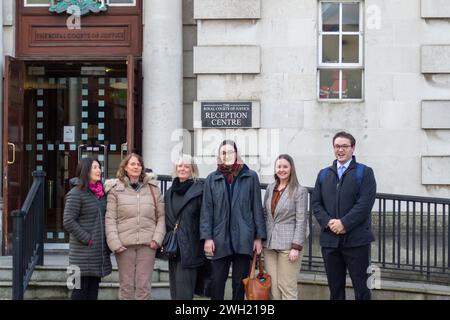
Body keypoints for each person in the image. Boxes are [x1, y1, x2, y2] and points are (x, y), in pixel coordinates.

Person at [312, 131, 376, 300]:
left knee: (362, 289)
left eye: (344, 146)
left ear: (353, 148)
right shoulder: (323, 174)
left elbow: (364, 205)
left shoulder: (365, 172)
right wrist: (329, 222)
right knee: (335, 289)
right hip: (330, 242)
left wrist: (344, 223)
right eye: (337, 146)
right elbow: (316, 204)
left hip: (357, 242)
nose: (340, 150)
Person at [200, 140, 267, 300]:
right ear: (219, 155)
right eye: (223, 152)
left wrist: (258, 237)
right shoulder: (212, 178)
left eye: (230, 152)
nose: (227, 155)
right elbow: (206, 210)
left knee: (239, 284)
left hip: (244, 239)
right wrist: (207, 238)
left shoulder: (250, 176)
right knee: (217, 283)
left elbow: (257, 208)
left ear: (236, 154)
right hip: (219, 239)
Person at [105, 153, 165, 300]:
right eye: (132, 164)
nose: (136, 167)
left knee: (144, 287)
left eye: (138, 164)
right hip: (124, 246)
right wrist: (115, 243)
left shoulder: (153, 189)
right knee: (126, 287)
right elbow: (110, 219)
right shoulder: (115, 190)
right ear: (125, 167)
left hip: (147, 245)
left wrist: (157, 239)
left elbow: (161, 217)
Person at [63, 157, 112, 300]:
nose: (99, 170)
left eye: (99, 167)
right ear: (85, 171)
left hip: (97, 255)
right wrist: (88, 239)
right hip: (81, 255)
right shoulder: (76, 193)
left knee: (92, 293)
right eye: (95, 167)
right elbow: (68, 221)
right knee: (78, 292)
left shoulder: (101, 194)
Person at [263, 154, 309, 300]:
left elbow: (301, 220)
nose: (281, 169)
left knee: (287, 287)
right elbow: (265, 214)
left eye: (285, 166)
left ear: (291, 169)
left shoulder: (299, 190)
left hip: (289, 246)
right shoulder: (271, 188)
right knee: (274, 288)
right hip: (270, 245)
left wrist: (296, 247)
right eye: (279, 166)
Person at [165, 155, 205, 300]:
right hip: (173, 248)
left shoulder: (199, 190)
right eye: (180, 166)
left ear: (192, 170)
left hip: (190, 248)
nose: (182, 169)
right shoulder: (170, 191)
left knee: (184, 293)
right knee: (174, 292)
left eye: (186, 166)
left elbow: (204, 219)